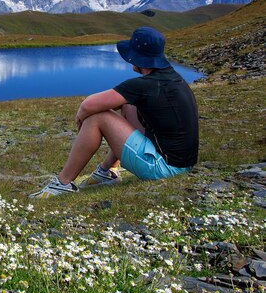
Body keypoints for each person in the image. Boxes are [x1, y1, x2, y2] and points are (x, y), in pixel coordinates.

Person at [30, 27, 199, 199]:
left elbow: (88, 105)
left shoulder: (145, 85)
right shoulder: (171, 77)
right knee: (128, 106)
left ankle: (63, 183)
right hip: (181, 163)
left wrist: (81, 119)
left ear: (137, 58)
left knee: (98, 117)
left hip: (164, 168)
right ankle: (107, 171)